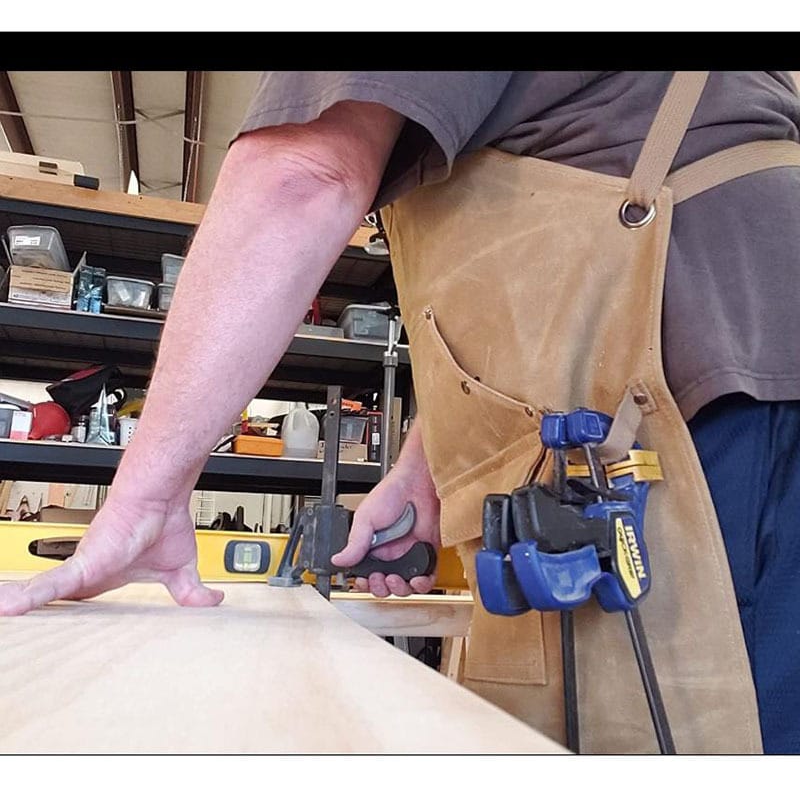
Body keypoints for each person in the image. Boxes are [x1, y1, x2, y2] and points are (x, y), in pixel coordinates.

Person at [2, 72, 799, 754]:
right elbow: (529, 297)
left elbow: (300, 173)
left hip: (711, 405)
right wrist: (430, 467)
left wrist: (145, 501)